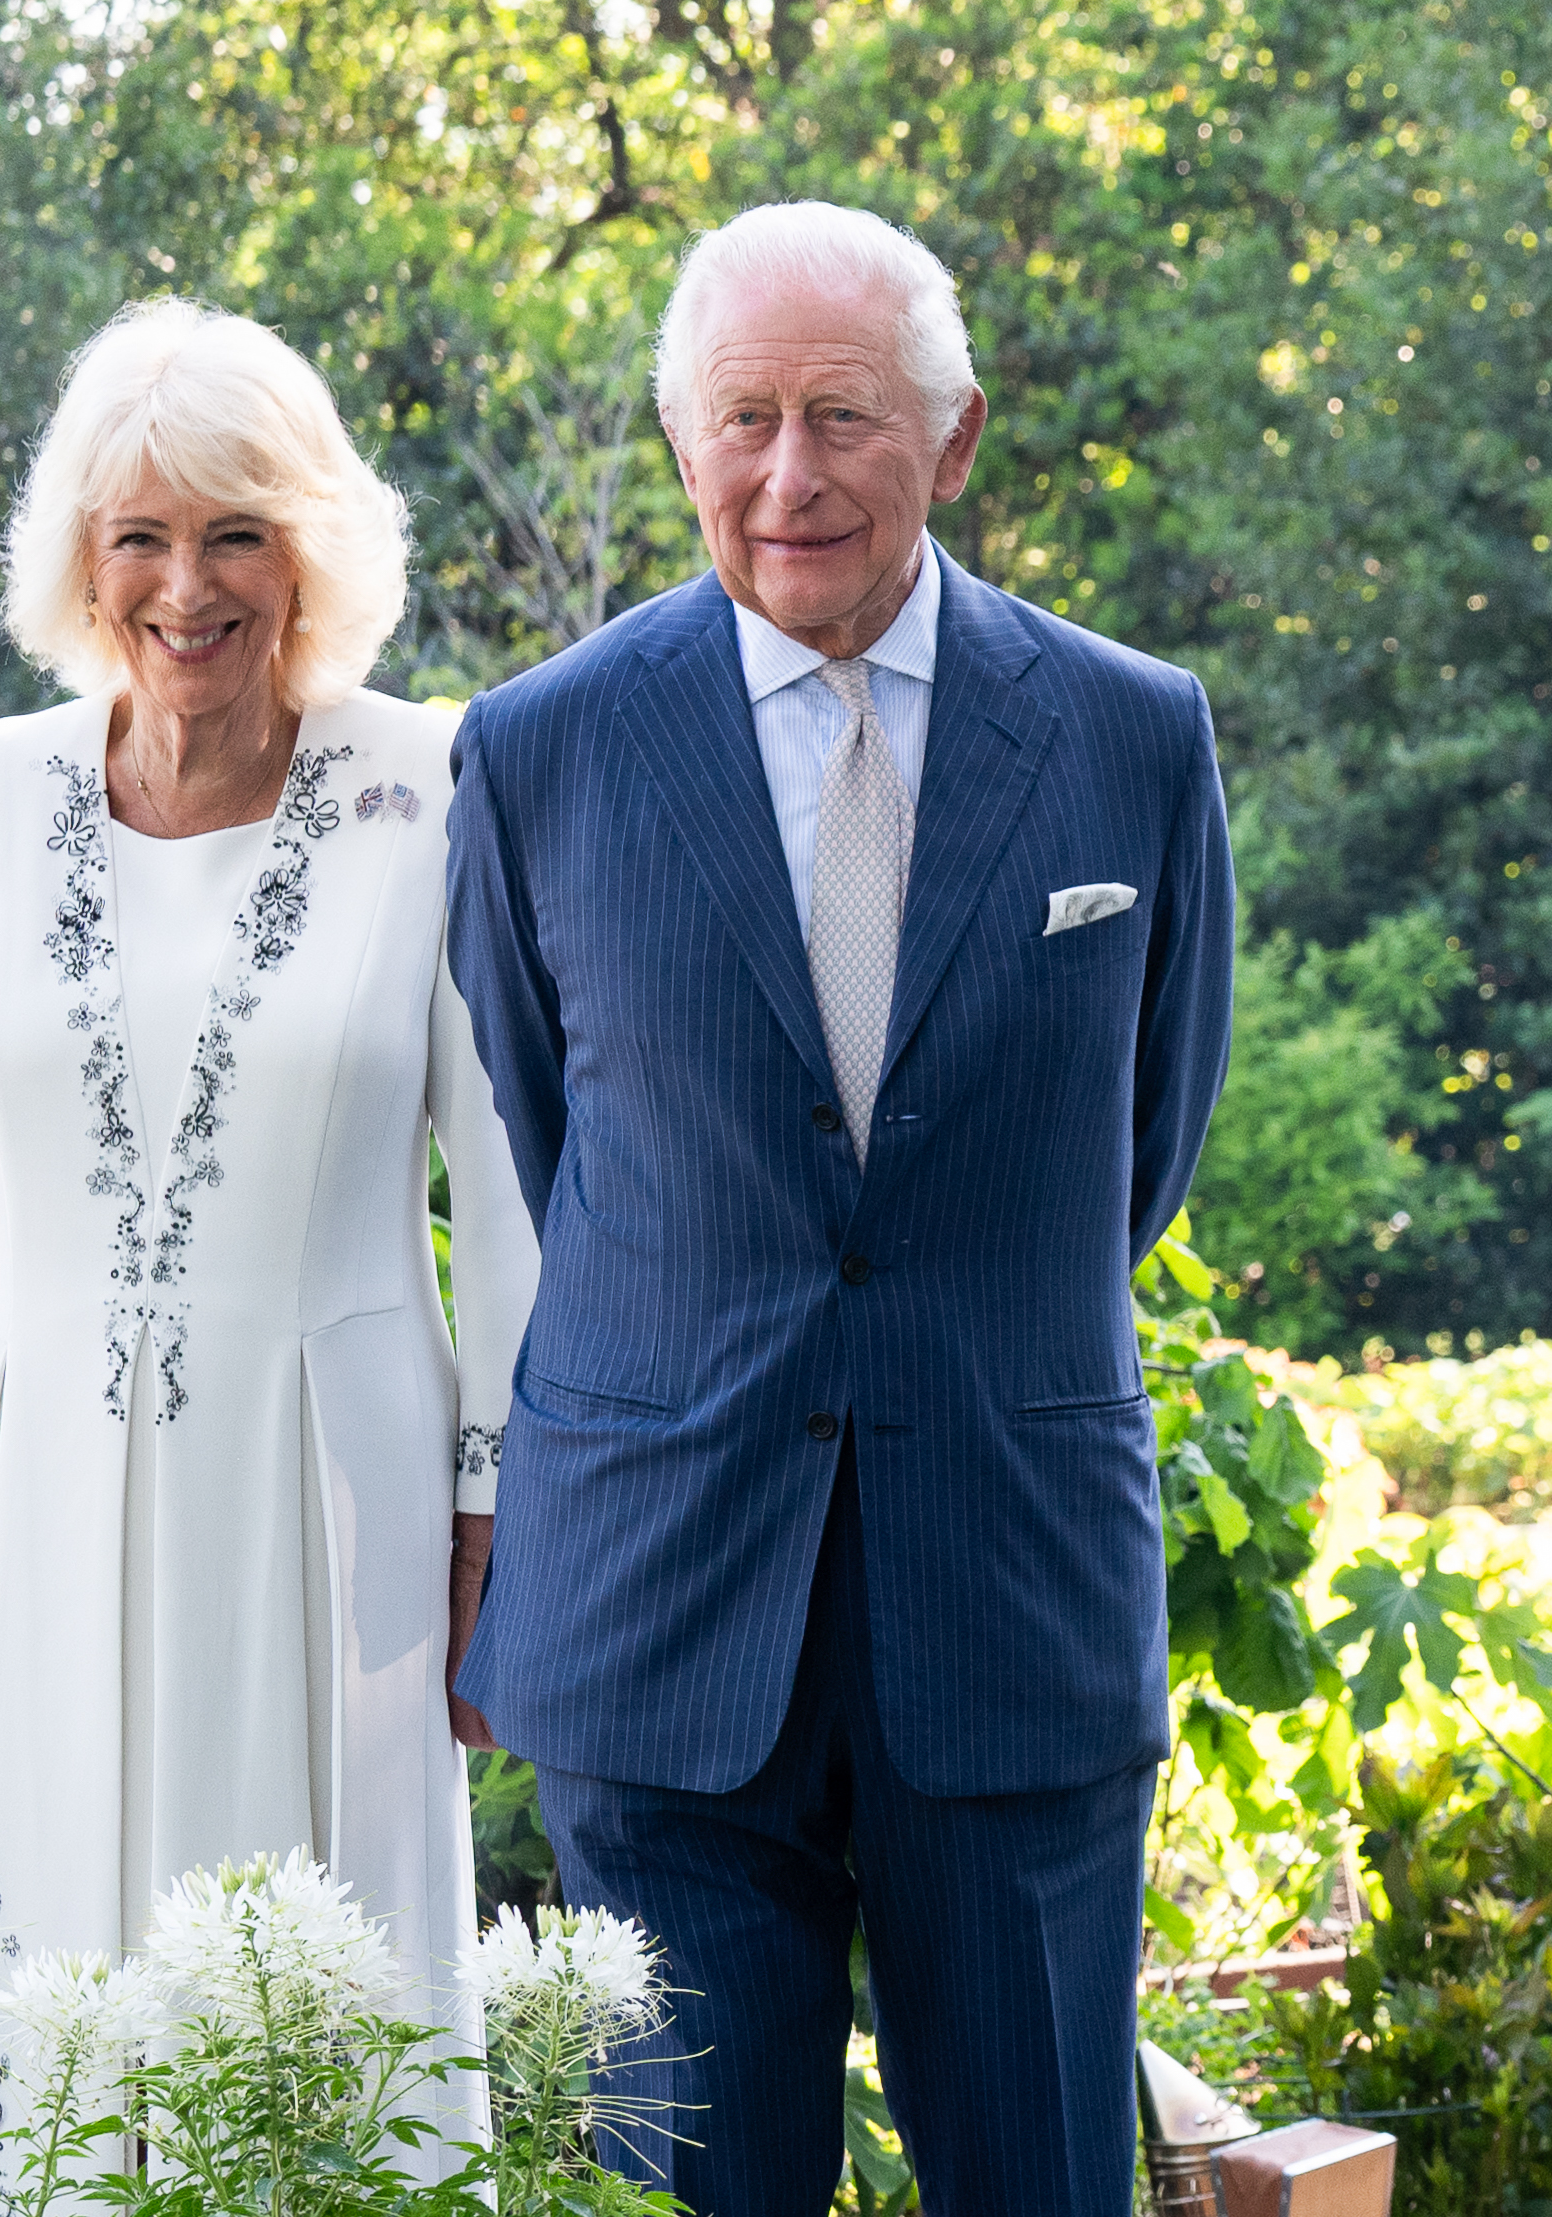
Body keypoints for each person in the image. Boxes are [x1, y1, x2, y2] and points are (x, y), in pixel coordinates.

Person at [443, 203, 1235, 2216]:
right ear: (681, 442)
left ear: (950, 442)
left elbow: (1143, 1144)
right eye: (740, 421)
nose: (784, 475)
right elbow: (556, 1151)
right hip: (662, 1607)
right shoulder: (536, 751)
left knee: (1037, 2183)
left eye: (841, 419)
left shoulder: (1135, 737)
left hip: (1012, 1587)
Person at [0, 298, 539, 2173]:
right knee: (35, 2025)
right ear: (84, 560)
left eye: (235, 531)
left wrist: (491, 1517)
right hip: (11, 1488)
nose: (187, 583)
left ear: (308, 548)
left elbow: (509, 1179)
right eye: (139, 535)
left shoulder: (437, 783)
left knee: (309, 2018)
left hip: (330, 1512)